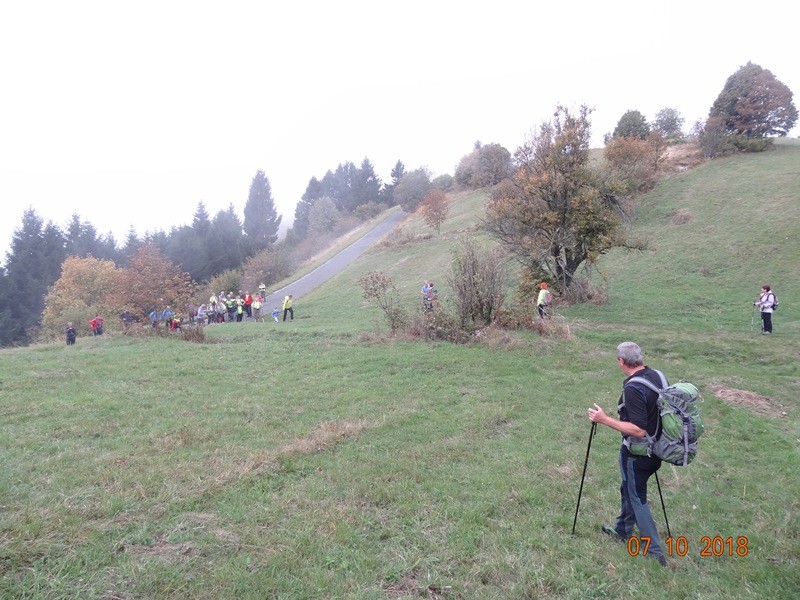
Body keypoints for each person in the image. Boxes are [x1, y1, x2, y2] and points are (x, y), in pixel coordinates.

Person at [587, 341, 668, 567]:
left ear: (621, 361)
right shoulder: (658, 376)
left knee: (637, 497)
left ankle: (654, 551)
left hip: (638, 454)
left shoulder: (633, 388)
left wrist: (604, 419)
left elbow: (638, 429)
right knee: (629, 488)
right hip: (658, 450)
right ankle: (623, 529)